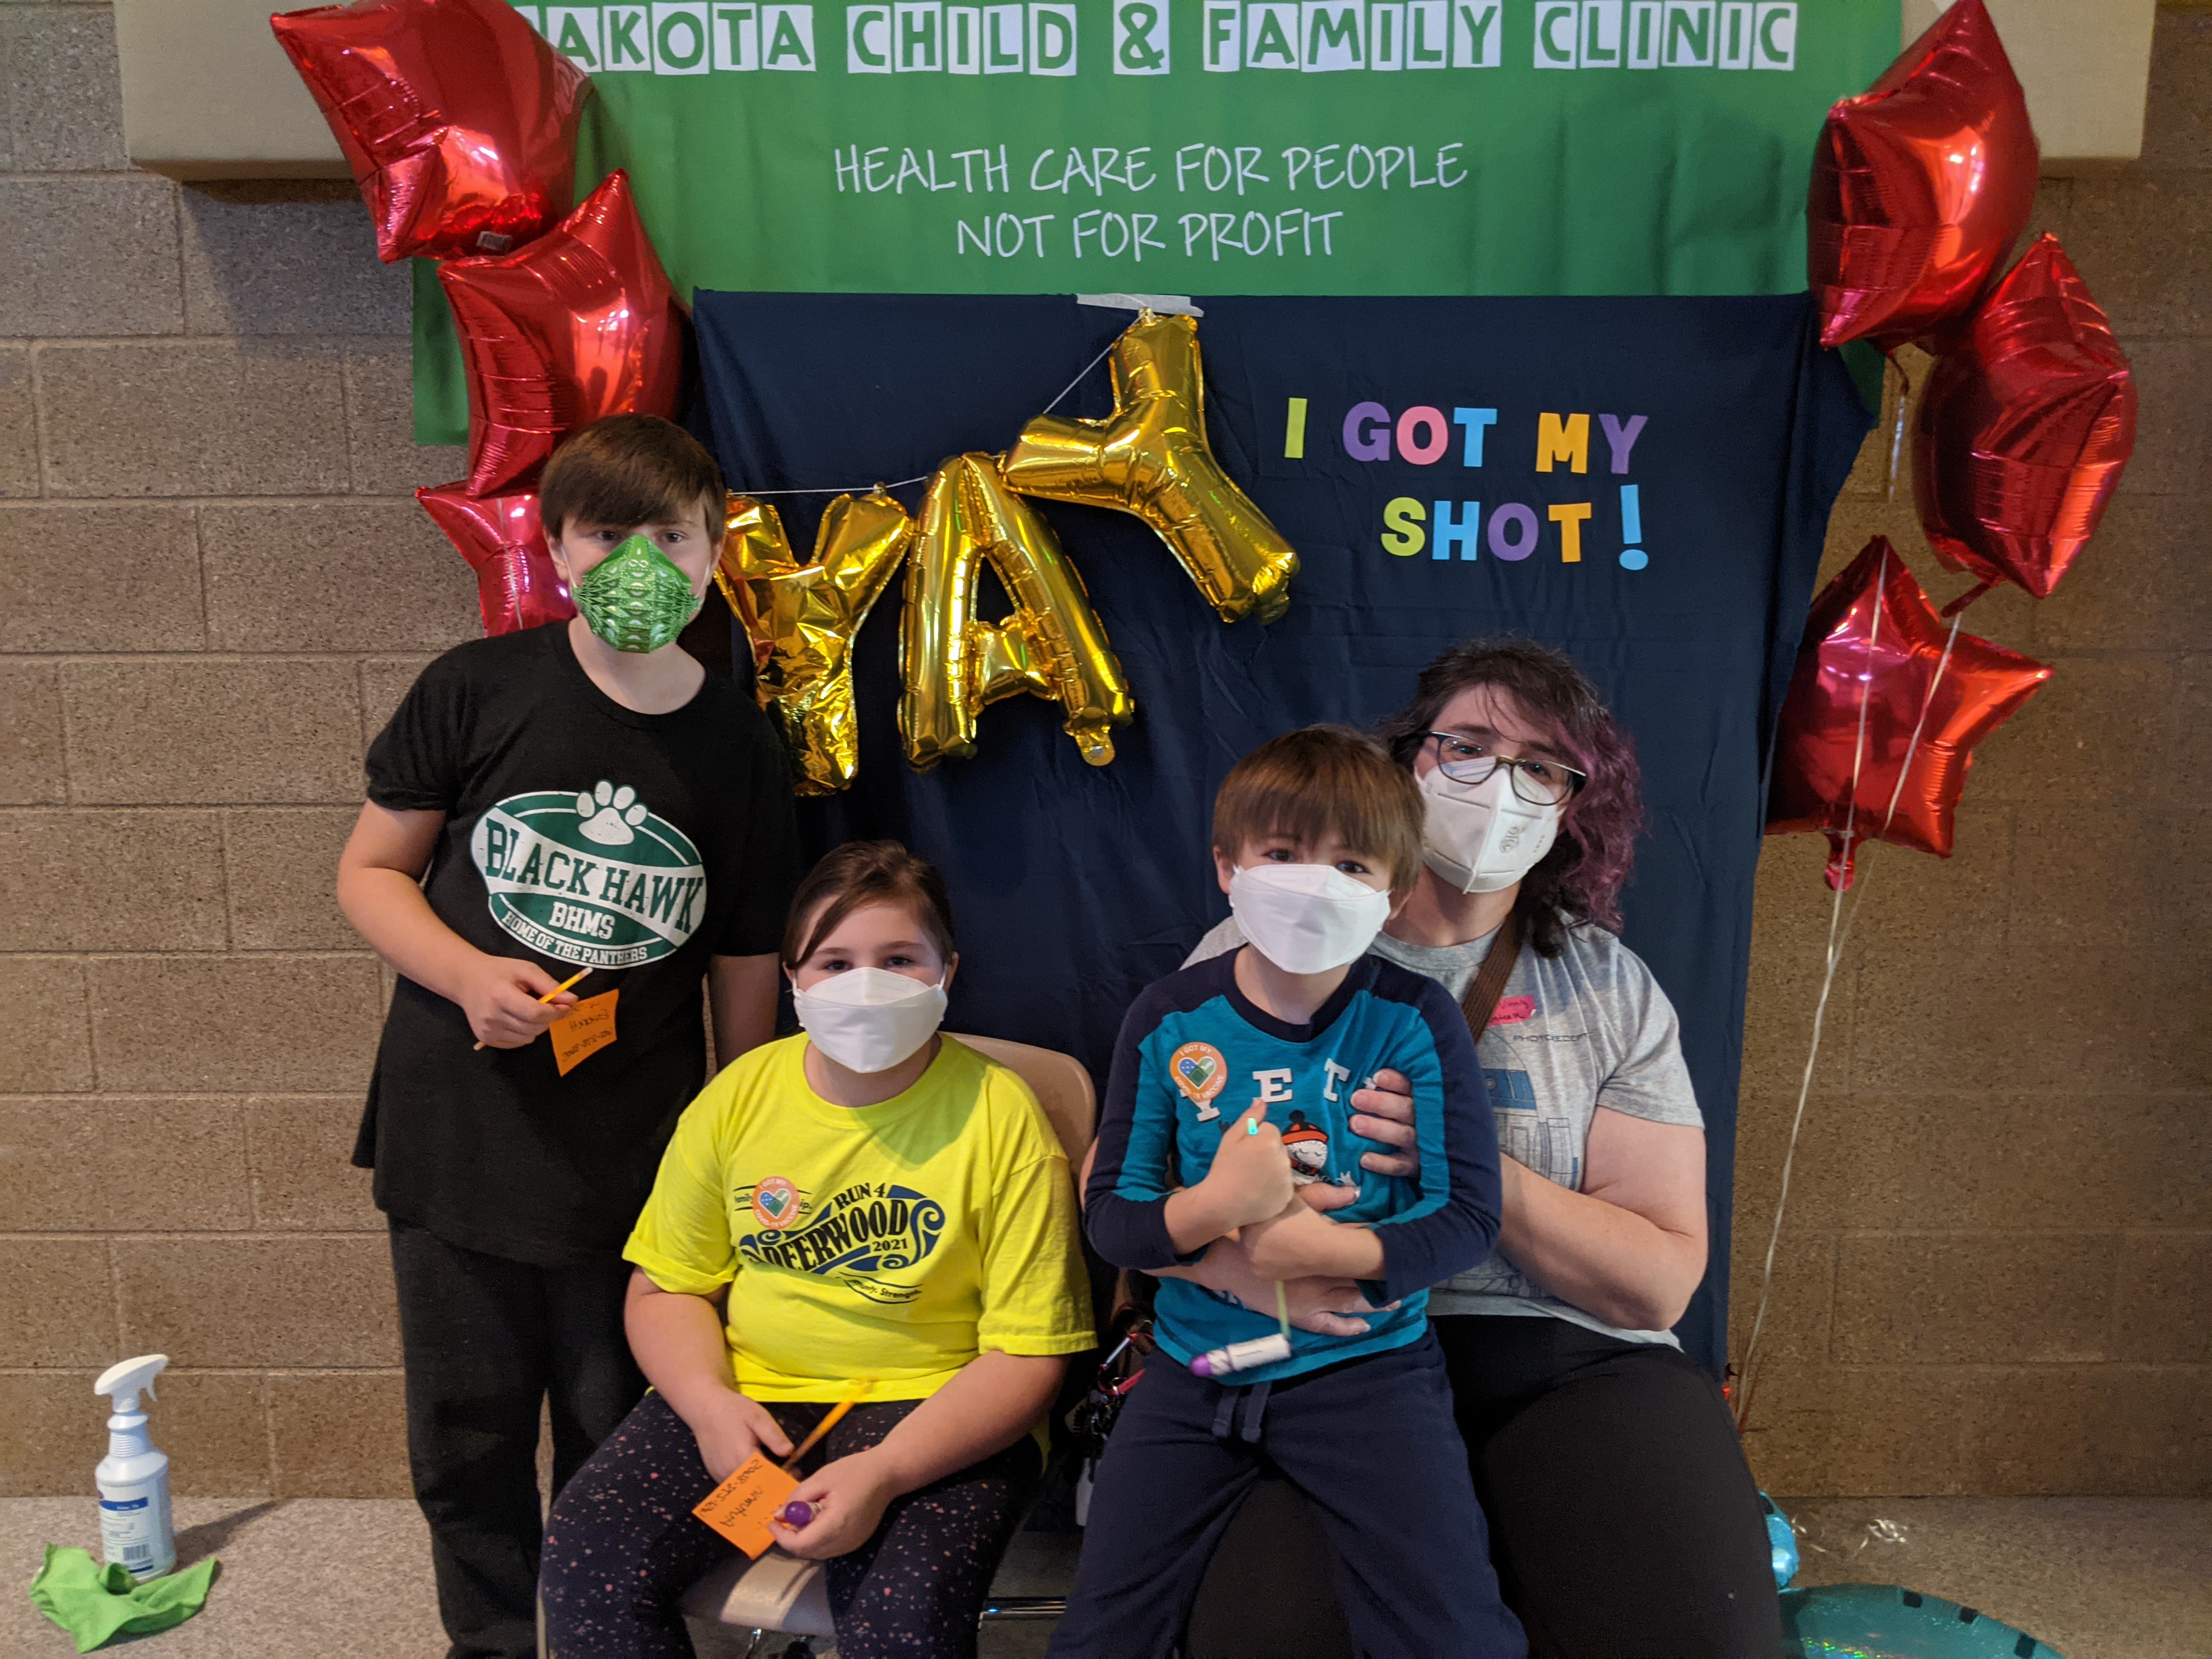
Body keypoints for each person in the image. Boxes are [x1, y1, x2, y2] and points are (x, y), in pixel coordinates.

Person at [1181, 639, 1780, 1659]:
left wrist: (1471, 1168)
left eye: (1541, 766)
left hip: (1564, 1358)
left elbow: (1657, 1287)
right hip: (1326, 1352)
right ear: (1404, 760)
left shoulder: (1609, 988)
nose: (1499, 786)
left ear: (1569, 804)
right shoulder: (1261, 950)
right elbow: (1161, 1214)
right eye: (1467, 746)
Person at [335, 414, 802, 1659]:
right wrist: (464, 970)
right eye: (607, 532)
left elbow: (746, 963)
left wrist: (735, 1143)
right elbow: (371, 872)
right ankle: (487, 1642)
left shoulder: (741, 744)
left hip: (632, 1162)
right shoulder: (476, 688)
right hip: (457, 1132)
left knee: (615, 1436)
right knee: (467, 1434)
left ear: (714, 555)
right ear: (554, 547)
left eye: (672, 534)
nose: (640, 561)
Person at [539, 840, 1096, 1659]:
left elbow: (1029, 1358)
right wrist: (708, 1407)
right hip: (751, 1396)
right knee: (590, 1562)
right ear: (793, 980)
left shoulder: (1001, 1118)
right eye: (834, 962)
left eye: (898, 958)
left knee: (901, 1614)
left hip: (939, 1409)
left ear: (947, 971)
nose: (865, 984)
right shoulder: (739, 1099)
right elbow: (666, 1291)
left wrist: (887, 1472)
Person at [1052, 727, 1527, 1659]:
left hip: (1368, 1375)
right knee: (1103, 1631)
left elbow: (1471, 1217)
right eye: (1281, 854)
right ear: (1228, 868)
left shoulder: (1412, 1018)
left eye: (1349, 863)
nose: (1313, 882)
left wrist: (1333, 1255)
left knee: (1452, 1630)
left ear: (1390, 896)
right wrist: (1216, 1211)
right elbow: (1113, 1217)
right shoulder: (1168, 1016)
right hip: (1190, 1374)